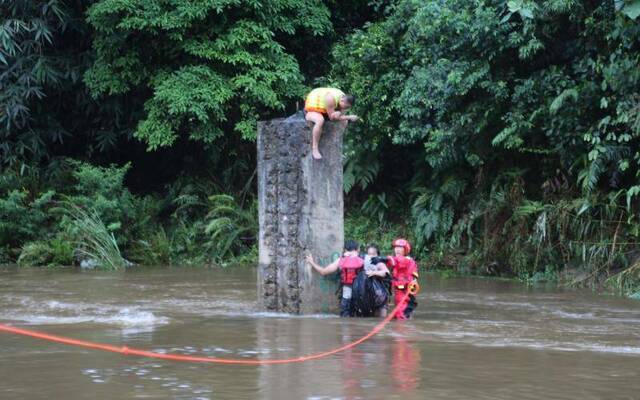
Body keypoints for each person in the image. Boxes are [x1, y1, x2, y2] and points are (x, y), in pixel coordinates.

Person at [306, 240, 363, 317]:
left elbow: (323, 272)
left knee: (345, 316)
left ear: (345, 249)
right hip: (362, 293)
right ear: (357, 249)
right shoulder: (364, 258)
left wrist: (312, 262)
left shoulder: (341, 260)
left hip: (347, 292)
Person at [304, 87, 359, 160]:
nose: (345, 109)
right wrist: (349, 117)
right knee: (320, 120)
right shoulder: (330, 99)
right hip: (312, 109)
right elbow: (332, 118)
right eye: (346, 107)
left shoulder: (342, 97)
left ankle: (337, 147)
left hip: (325, 111)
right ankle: (315, 148)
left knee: (344, 121)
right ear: (342, 100)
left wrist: (342, 115)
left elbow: (341, 116)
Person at [385, 238, 419, 320]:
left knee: (401, 315)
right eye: (396, 247)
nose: (397, 249)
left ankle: (403, 330)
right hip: (399, 293)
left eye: (400, 248)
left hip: (406, 293)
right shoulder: (395, 261)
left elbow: (397, 261)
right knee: (398, 314)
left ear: (405, 250)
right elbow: (391, 262)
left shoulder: (408, 260)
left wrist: (384, 258)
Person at [363, 244, 391, 317]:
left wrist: (374, 273)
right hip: (369, 295)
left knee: (382, 318)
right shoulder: (364, 262)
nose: (371, 256)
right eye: (369, 254)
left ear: (378, 255)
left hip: (381, 295)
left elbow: (386, 272)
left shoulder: (379, 263)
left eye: (373, 254)